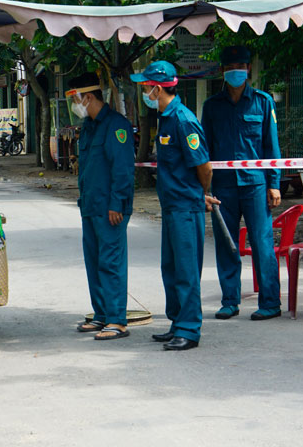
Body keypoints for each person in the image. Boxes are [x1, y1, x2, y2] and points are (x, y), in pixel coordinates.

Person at [131, 61, 218, 351]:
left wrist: (198, 193)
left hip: (184, 207)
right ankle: (177, 321)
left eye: (146, 87)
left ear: (157, 89)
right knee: (170, 268)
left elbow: (204, 167)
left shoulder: (183, 120)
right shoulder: (165, 118)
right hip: (171, 207)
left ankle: (190, 329)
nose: (144, 91)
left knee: (186, 271)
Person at [202, 46, 282, 321]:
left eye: (240, 66)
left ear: (248, 69)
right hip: (223, 186)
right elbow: (204, 150)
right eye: (229, 66)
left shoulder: (262, 102)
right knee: (226, 244)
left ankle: (270, 302)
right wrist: (204, 189)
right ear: (222, 71)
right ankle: (229, 301)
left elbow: (272, 146)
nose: (235, 71)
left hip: (256, 185)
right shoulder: (211, 106)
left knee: (262, 242)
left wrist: (275, 183)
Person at [68, 72, 136, 341]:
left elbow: (122, 169)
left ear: (88, 97)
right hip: (90, 206)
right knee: (94, 261)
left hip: (111, 207)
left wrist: (117, 202)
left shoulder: (116, 126)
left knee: (110, 262)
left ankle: (117, 320)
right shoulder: (89, 126)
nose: (75, 105)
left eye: (75, 99)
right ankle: (102, 315)